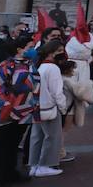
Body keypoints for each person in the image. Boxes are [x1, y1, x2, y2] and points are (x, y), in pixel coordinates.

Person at [0, 40, 37, 187]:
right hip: (6, 111)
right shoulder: (6, 66)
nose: (33, 49)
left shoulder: (29, 64)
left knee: (13, 144)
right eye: (30, 47)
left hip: (24, 111)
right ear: (19, 49)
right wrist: (8, 102)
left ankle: (9, 172)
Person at [28, 39, 68, 178]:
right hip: (49, 107)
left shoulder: (39, 66)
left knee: (37, 136)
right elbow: (57, 92)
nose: (62, 54)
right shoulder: (53, 68)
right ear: (52, 52)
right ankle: (45, 164)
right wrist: (63, 108)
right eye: (60, 51)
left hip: (37, 106)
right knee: (52, 137)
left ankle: (33, 164)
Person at [65, 20, 93, 142]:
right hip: (75, 65)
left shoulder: (89, 38)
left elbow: (90, 47)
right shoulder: (72, 41)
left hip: (84, 65)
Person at [60, 59, 91, 163]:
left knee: (62, 131)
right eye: (73, 68)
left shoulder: (61, 79)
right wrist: (89, 85)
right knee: (63, 131)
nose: (74, 71)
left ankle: (60, 151)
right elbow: (81, 93)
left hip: (64, 108)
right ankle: (60, 152)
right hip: (69, 109)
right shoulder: (68, 81)